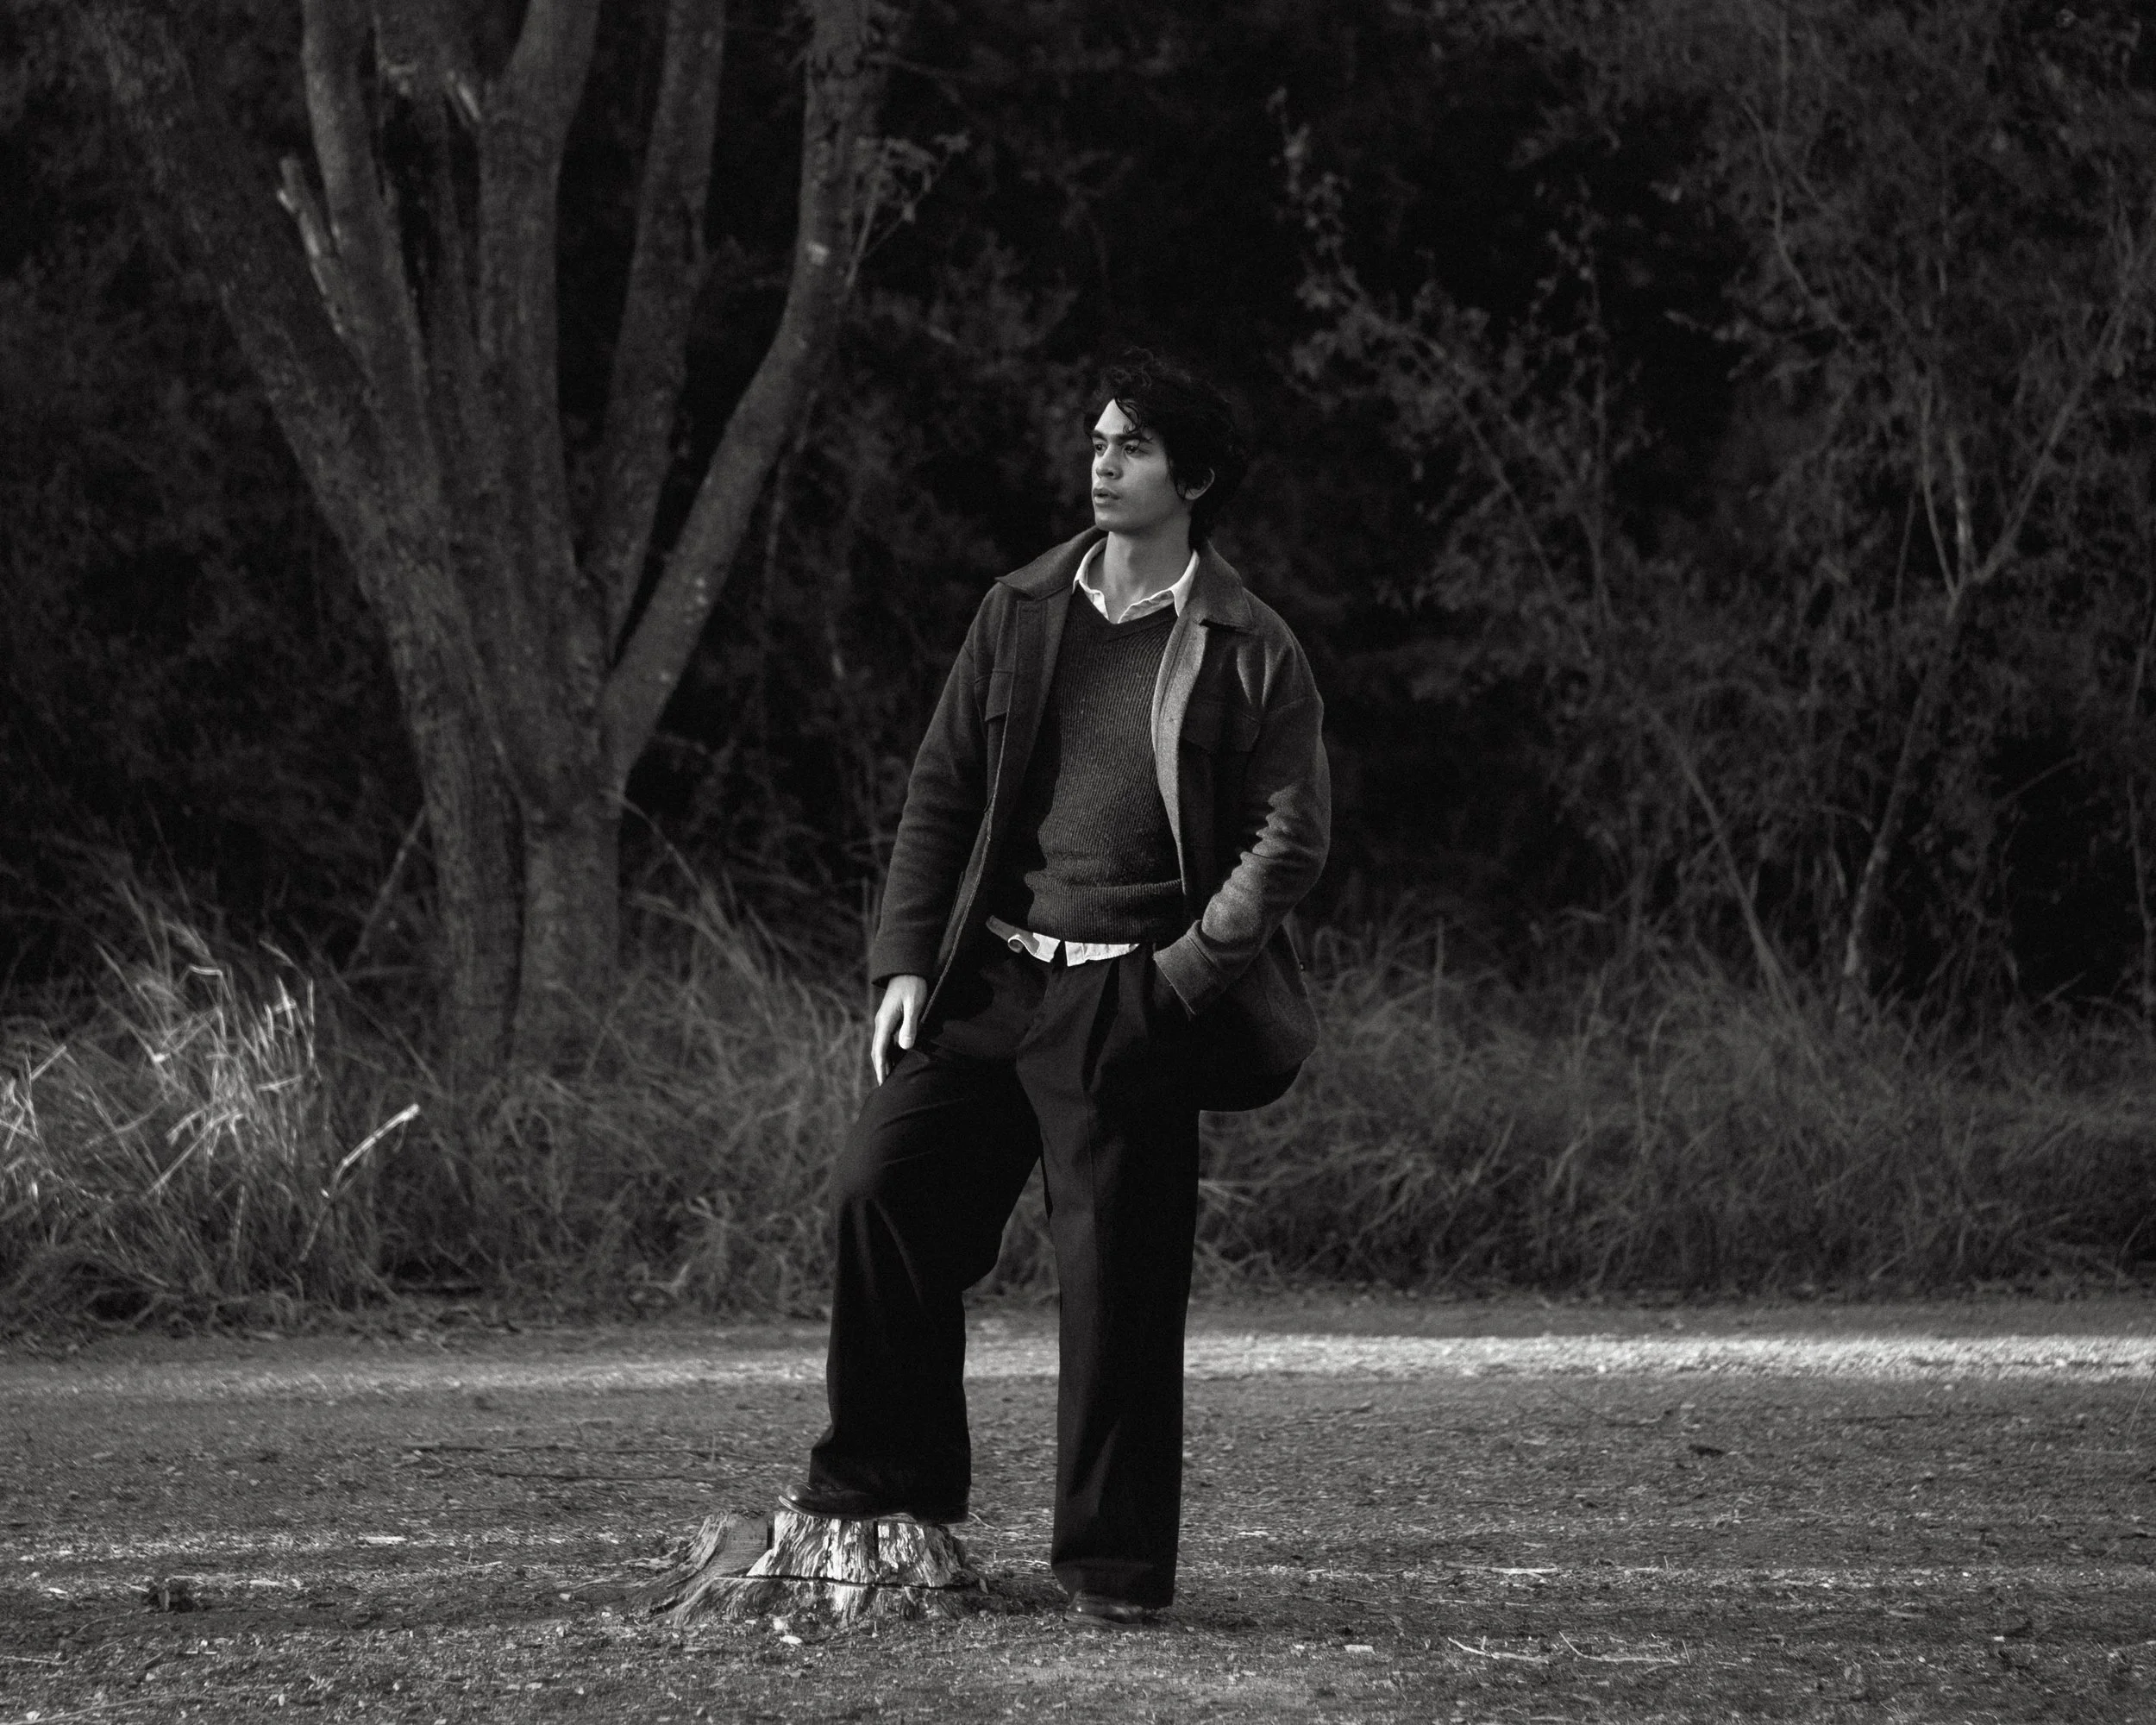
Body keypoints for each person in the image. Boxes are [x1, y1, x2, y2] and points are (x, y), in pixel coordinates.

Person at [783, 352, 1330, 1626]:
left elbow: (1288, 838)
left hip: (1131, 1000)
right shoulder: (1023, 608)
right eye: (1098, 441)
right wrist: (905, 960)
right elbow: (942, 789)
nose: (1103, 463)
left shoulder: (1250, 645)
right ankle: (888, 1483)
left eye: (1133, 446)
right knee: (882, 1187)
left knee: (1117, 1281)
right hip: (994, 975)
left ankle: (1115, 1572)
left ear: (1193, 477)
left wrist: (1177, 982)